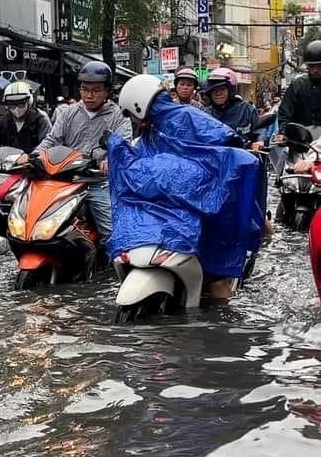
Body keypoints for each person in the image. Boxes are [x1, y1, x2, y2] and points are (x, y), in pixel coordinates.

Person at [112, 74, 263, 299]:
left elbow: (225, 141)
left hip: (203, 204)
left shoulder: (187, 116)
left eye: (131, 114)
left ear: (139, 106)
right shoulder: (148, 133)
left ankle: (223, 313)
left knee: (216, 280)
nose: (132, 120)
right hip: (171, 211)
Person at [35, 62, 132, 242]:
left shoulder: (118, 115)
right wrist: (33, 155)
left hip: (99, 182)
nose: (89, 95)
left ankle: (118, 258)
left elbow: (122, 145)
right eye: (84, 89)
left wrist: (112, 159)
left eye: (96, 90)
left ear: (107, 91)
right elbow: (52, 140)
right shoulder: (68, 113)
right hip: (65, 181)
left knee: (112, 233)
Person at [275, 40, 321, 176]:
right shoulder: (297, 84)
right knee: (283, 176)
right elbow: (285, 112)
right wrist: (283, 132)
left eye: (319, 66)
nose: (316, 70)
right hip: (299, 145)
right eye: (312, 66)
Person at [0, 81, 51, 158]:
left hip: (33, 162)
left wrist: (31, 156)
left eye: (21, 103)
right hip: (7, 162)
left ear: (28, 102)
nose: (16, 108)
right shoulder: (3, 121)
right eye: (12, 105)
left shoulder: (39, 120)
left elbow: (47, 143)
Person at [203, 67, 260, 149]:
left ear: (231, 90)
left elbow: (260, 131)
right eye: (214, 90)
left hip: (243, 155)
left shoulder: (247, 109)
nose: (218, 93)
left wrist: (259, 142)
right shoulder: (206, 114)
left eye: (222, 89)